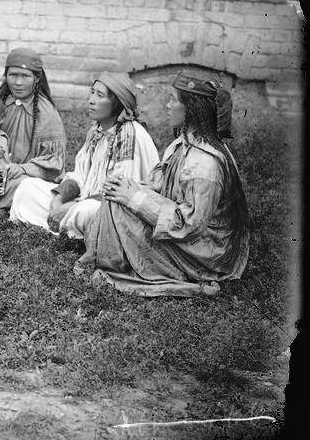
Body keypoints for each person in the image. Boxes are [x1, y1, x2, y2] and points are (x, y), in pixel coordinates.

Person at [76, 72, 253, 297]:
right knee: (116, 197)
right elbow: (157, 183)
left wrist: (134, 199)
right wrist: (130, 189)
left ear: (192, 109)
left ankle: (118, 263)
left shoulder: (205, 164)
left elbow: (189, 225)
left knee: (121, 205)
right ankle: (111, 258)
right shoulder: (182, 144)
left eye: (173, 100)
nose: (168, 106)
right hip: (185, 234)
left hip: (206, 254)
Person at [9, 72, 160, 239]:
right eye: (92, 92)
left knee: (85, 210)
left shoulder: (129, 134)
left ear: (118, 103)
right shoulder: (96, 129)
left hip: (116, 212)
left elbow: (119, 194)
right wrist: (58, 200)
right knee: (28, 187)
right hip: (85, 201)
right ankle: (62, 231)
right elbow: (80, 176)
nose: (91, 100)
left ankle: (67, 235)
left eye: (100, 95)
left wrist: (70, 207)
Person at [0, 48, 67, 209]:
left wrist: (23, 168)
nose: (18, 82)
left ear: (37, 78)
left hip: (26, 176)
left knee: (26, 187)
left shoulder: (47, 114)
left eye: (25, 76)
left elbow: (54, 164)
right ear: (6, 76)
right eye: (13, 75)